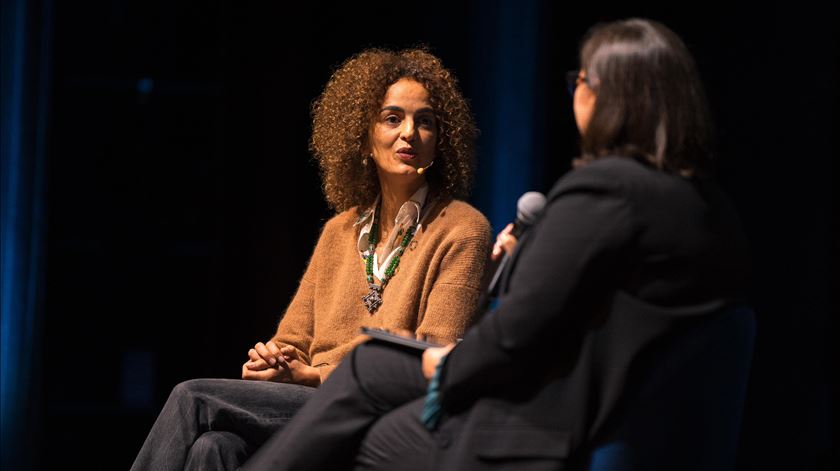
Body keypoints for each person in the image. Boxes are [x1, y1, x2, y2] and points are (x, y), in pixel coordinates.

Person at [240, 18, 752, 471]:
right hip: (618, 421)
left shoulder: (602, 192)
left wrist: (445, 362)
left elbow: (519, 335)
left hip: (540, 431)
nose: (575, 92)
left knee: (367, 384)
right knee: (227, 437)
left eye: (583, 80)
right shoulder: (709, 207)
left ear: (614, 96)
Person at [130, 48, 492, 471]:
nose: (409, 132)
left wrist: (315, 376)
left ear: (440, 140)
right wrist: (274, 362)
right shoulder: (339, 231)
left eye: (425, 121)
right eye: (392, 118)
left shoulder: (463, 229)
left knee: (192, 398)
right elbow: (293, 340)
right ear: (364, 134)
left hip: (377, 409)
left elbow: (431, 359)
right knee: (216, 447)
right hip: (308, 402)